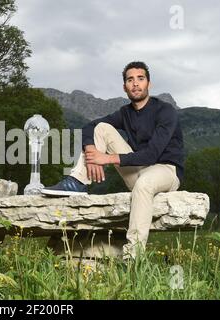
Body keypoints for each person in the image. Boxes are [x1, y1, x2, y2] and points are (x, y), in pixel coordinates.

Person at [41, 61, 184, 259]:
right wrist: (92, 153)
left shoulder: (165, 111)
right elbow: (88, 127)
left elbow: (152, 154)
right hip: (138, 170)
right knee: (101, 128)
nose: (135, 84)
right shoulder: (125, 113)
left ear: (148, 84)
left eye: (140, 79)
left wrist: (106, 159)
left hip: (166, 171)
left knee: (144, 183)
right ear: (125, 86)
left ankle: (133, 256)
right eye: (130, 80)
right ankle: (78, 182)